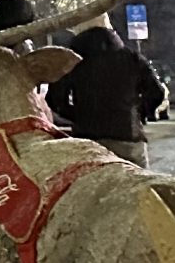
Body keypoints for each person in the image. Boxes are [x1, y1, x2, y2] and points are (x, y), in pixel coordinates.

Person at [47, 18, 166, 165]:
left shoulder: (71, 60)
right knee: (136, 184)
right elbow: (157, 93)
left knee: (92, 185)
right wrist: (138, 112)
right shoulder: (132, 58)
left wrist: (79, 115)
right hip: (128, 136)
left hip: (88, 140)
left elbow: (54, 100)